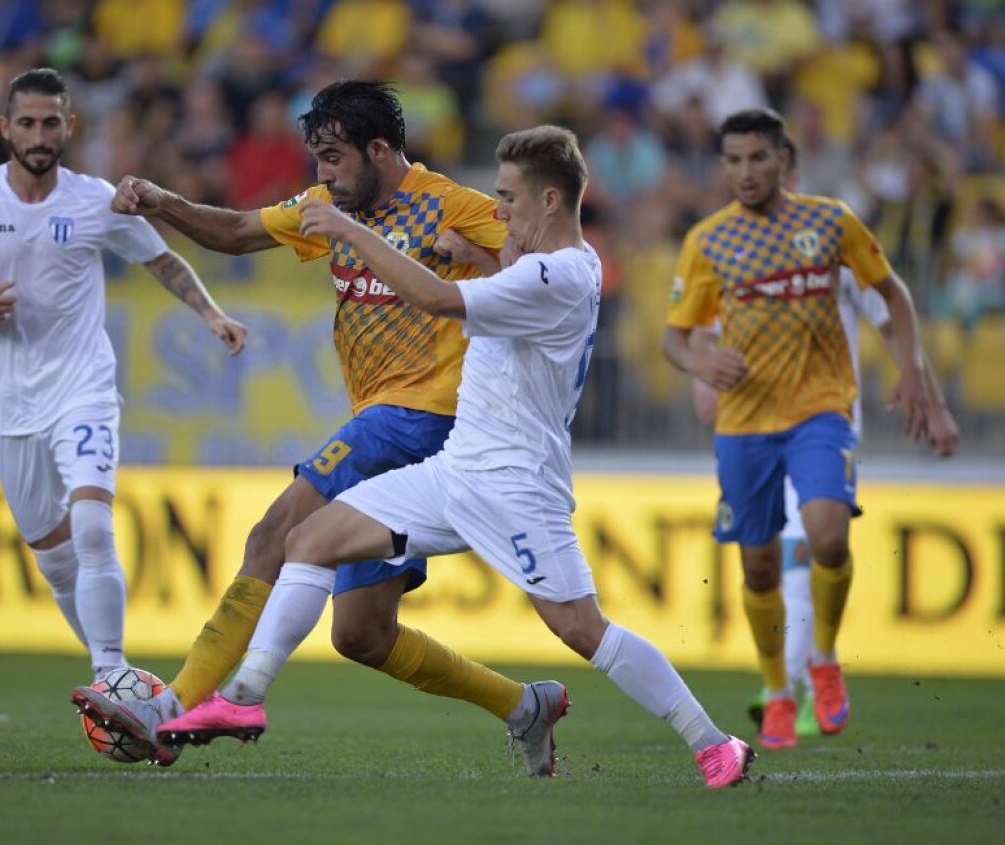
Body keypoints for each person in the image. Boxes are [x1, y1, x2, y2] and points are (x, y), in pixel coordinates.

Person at [81, 124, 755, 789]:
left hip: (515, 485)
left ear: (550, 200)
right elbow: (512, 296)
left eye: (509, 198)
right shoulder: (548, 268)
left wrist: (349, 231)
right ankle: (244, 695)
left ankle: (712, 742)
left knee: (582, 628)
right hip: (453, 469)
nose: (499, 211)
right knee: (309, 540)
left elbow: (436, 297)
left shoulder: (558, 272)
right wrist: (478, 258)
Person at [74, 80, 525, 769]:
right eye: (317, 157)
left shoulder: (452, 204)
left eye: (335, 157)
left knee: (274, 534)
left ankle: (173, 705)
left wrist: (479, 255)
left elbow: (539, 274)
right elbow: (236, 233)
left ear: (380, 149)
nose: (323, 172)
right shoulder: (327, 205)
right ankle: (524, 705)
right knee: (363, 635)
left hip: (422, 415)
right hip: (387, 422)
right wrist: (165, 202)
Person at [0, 68, 247, 681]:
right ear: (5, 128)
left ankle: (112, 674)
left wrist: (212, 314)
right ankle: (112, 675)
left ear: (69, 126)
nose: (38, 136)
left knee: (93, 527)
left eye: (50, 123)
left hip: (83, 388)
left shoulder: (96, 199)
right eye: (27, 123)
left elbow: (161, 259)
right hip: (6, 402)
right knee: (55, 559)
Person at [663, 108, 958, 752]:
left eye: (757, 158)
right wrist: (699, 365)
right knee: (760, 566)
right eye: (733, 160)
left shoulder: (831, 223)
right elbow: (677, 337)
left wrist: (915, 376)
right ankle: (777, 690)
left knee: (826, 535)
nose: (745, 172)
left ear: (784, 160)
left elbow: (893, 297)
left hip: (821, 412)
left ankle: (822, 660)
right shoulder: (709, 240)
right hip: (744, 423)